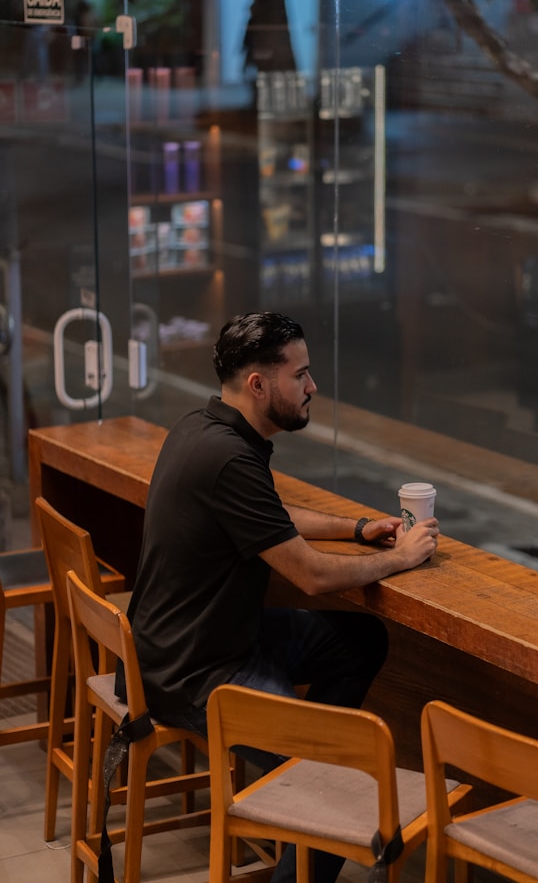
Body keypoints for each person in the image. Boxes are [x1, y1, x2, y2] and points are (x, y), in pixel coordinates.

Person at [119, 311, 439, 883]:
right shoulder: (227, 456)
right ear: (258, 384)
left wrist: (358, 528)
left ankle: (302, 768)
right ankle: (313, 776)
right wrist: (400, 557)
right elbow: (311, 576)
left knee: (360, 639)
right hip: (195, 672)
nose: (313, 387)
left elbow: (269, 516)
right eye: (302, 375)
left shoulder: (202, 428)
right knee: (345, 781)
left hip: (194, 642)